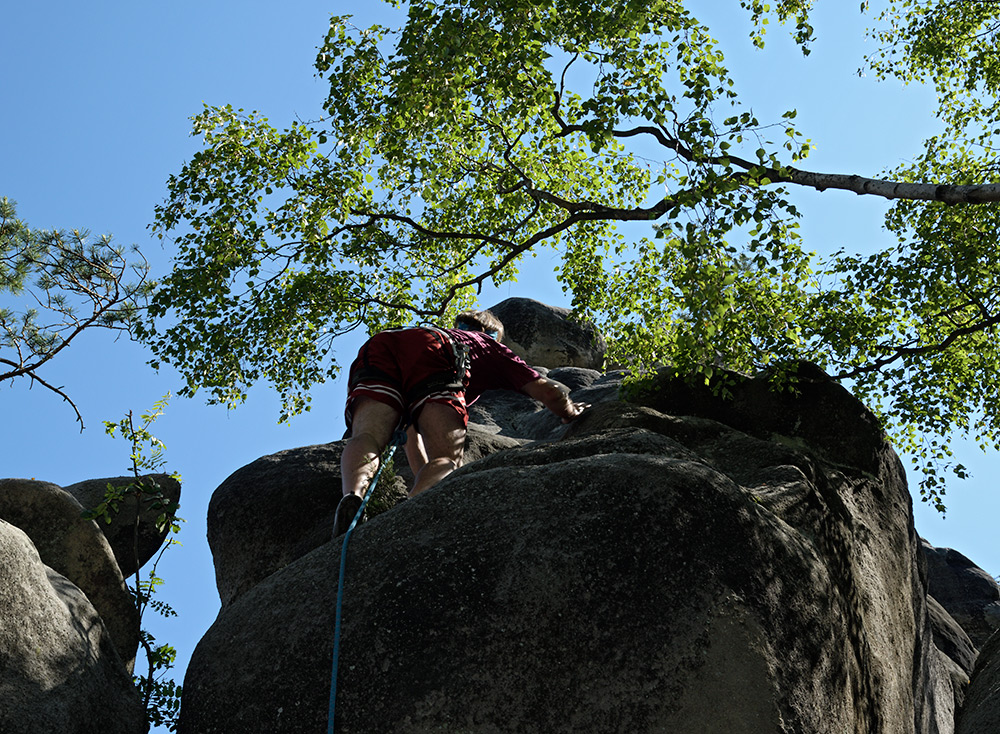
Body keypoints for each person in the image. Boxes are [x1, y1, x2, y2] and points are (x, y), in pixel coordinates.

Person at [333, 309, 590, 536]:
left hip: (379, 347)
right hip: (437, 355)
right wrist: (570, 410)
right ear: (491, 333)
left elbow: (412, 438)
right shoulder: (489, 345)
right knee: (447, 457)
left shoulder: (435, 331)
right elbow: (548, 391)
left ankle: (352, 495)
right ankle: (401, 519)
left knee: (367, 436)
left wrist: (423, 480)